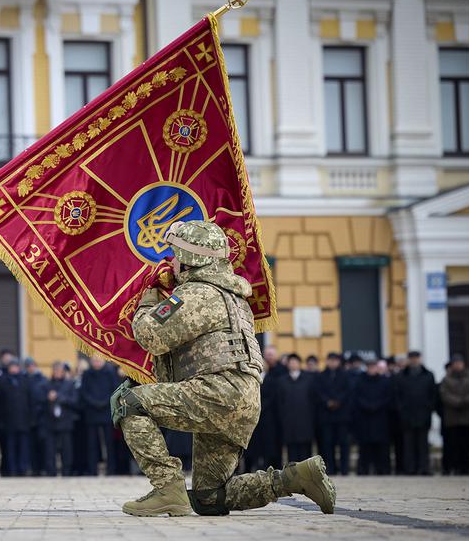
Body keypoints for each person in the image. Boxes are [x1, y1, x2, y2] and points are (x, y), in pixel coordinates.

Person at [113, 220, 335, 517]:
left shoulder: (198, 293)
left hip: (217, 392)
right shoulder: (233, 296)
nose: (173, 263)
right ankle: (292, 479)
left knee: (128, 403)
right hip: (242, 400)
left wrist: (149, 296)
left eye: (176, 255)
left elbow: (150, 334)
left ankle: (167, 487)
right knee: (209, 497)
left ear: (190, 260)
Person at [393, 351, 436, 475]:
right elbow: (397, 395)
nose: (414, 360)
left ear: (420, 359)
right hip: (407, 415)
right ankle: (410, 469)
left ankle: (424, 468)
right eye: (411, 358)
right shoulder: (401, 375)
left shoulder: (428, 375)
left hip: (424, 414)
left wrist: (429, 408)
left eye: (416, 358)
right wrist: (401, 410)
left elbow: (433, 394)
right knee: (408, 444)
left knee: (423, 444)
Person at [243, 345, 285, 472]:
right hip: (253, 416)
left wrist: (261, 406)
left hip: (268, 417)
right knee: (253, 446)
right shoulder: (251, 379)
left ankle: (269, 467)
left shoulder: (272, 379)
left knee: (269, 444)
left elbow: (272, 397)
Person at [313, 353, 352, 476]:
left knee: (343, 444)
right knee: (327, 443)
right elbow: (318, 392)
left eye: (335, 360)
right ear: (327, 361)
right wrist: (327, 402)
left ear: (339, 362)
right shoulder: (321, 376)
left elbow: (348, 392)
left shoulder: (345, 375)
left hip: (342, 415)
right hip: (326, 416)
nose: (333, 363)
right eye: (330, 360)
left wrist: (338, 401)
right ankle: (330, 468)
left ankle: (344, 468)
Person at [80, 356, 119, 475]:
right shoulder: (87, 374)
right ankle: (92, 470)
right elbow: (84, 392)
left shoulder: (110, 372)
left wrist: (104, 402)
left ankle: (111, 469)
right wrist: (94, 403)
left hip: (106, 411)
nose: (96, 363)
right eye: (94, 360)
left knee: (109, 443)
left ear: (103, 361)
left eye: (98, 360)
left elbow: (115, 390)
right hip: (92, 412)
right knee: (92, 443)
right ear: (91, 362)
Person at [354, 359, 392, 475]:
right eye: (369, 367)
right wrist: (367, 406)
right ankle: (363, 469)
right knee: (364, 446)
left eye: (374, 367)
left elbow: (388, 397)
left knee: (381, 446)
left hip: (380, 418)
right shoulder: (360, 381)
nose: (372, 369)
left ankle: (382, 469)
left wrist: (376, 406)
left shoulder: (384, 381)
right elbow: (357, 397)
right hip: (364, 418)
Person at [277, 354, 317, 463]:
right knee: (292, 452)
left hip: (305, 422)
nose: (293, 364)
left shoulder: (308, 380)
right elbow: (279, 403)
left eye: (295, 362)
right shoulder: (282, 381)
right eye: (291, 362)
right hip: (289, 423)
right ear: (288, 364)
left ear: (299, 364)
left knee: (305, 452)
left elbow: (314, 400)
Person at [439, 354, 469, 475]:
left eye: (459, 363)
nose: (457, 365)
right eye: (455, 363)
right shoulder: (446, 379)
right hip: (453, 418)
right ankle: (456, 467)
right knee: (455, 445)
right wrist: (457, 402)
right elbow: (444, 394)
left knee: (468, 445)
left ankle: (468, 467)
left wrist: (467, 400)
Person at [44, 361, 79, 476]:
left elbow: (74, 401)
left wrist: (58, 397)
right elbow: (40, 402)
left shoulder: (69, 384)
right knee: (50, 450)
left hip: (65, 421)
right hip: (50, 421)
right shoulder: (47, 384)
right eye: (56, 371)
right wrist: (47, 398)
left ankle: (66, 471)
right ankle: (51, 472)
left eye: (60, 371)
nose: (58, 373)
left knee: (66, 449)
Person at [23, 357, 49, 476]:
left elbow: (46, 399)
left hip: (42, 418)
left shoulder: (43, 380)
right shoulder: (23, 379)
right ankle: (34, 469)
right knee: (30, 446)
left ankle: (43, 468)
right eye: (28, 366)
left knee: (43, 444)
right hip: (28, 417)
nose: (30, 368)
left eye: (32, 365)